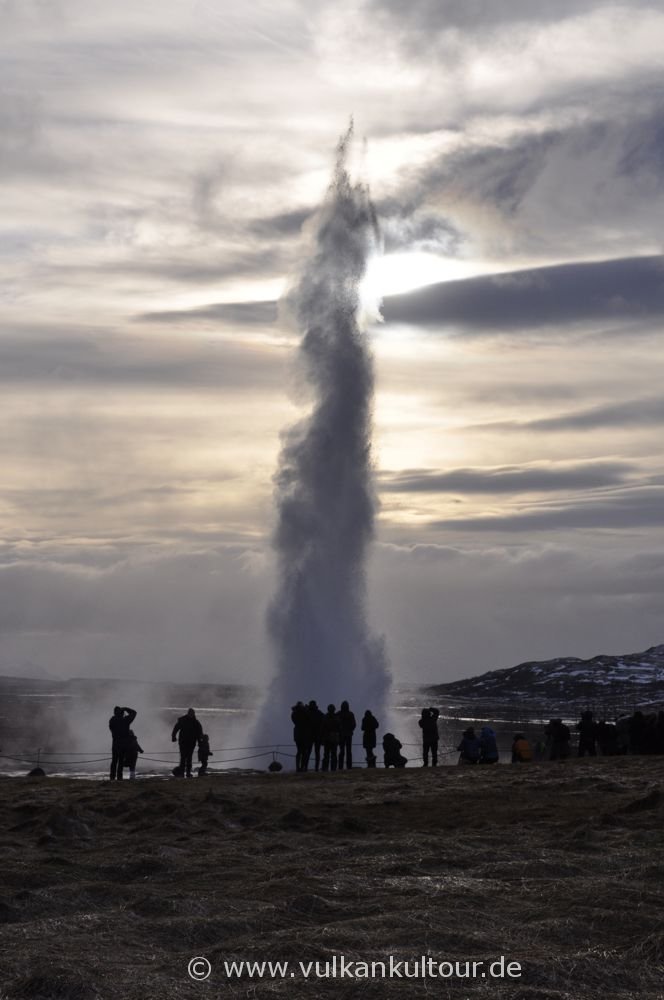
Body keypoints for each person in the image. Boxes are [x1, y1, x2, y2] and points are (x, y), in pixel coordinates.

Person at [171, 708, 203, 777]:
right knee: (183, 757)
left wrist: (200, 742)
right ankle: (183, 772)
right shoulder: (184, 720)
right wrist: (173, 736)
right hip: (183, 742)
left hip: (191, 743)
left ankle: (187, 772)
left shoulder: (195, 722)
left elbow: (199, 733)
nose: (191, 715)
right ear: (188, 713)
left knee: (188, 758)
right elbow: (176, 729)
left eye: (192, 713)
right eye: (191, 713)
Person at [108, 705, 137, 781]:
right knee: (120, 761)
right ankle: (119, 777)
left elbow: (111, 728)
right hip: (123, 744)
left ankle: (112, 777)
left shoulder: (112, 720)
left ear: (114, 713)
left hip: (115, 743)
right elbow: (134, 712)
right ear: (122, 713)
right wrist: (126, 708)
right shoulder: (125, 720)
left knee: (114, 761)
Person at [291, 701, 312, 772]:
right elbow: (309, 719)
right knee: (304, 752)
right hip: (304, 734)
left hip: (297, 734)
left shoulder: (294, 713)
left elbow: (294, 720)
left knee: (299, 751)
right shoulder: (304, 712)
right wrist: (306, 709)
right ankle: (303, 767)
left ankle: (298, 767)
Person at [338, 700, 357, 769]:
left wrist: (339, 730)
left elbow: (336, 724)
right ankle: (349, 766)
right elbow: (354, 724)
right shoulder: (350, 714)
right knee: (348, 751)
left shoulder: (339, 714)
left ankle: (340, 766)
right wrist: (350, 729)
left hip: (341, 735)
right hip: (348, 735)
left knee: (341, 751)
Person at [321, 704, 340, 772]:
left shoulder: (325, 717)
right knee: (333, 754)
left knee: (326, 754)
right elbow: (339, 728)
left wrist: (322, 739)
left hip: (327, 738)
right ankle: (333, 768)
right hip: (334, 738)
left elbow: (322, 728)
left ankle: (325, 768)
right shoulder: (336, 718)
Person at [308, 700, 324, 771]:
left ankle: (306, 767)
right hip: (316, 735)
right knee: (315, 752)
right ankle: (316, 768)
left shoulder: (308, 713)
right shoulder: (319, 713)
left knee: (309, 752)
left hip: (312, 735)